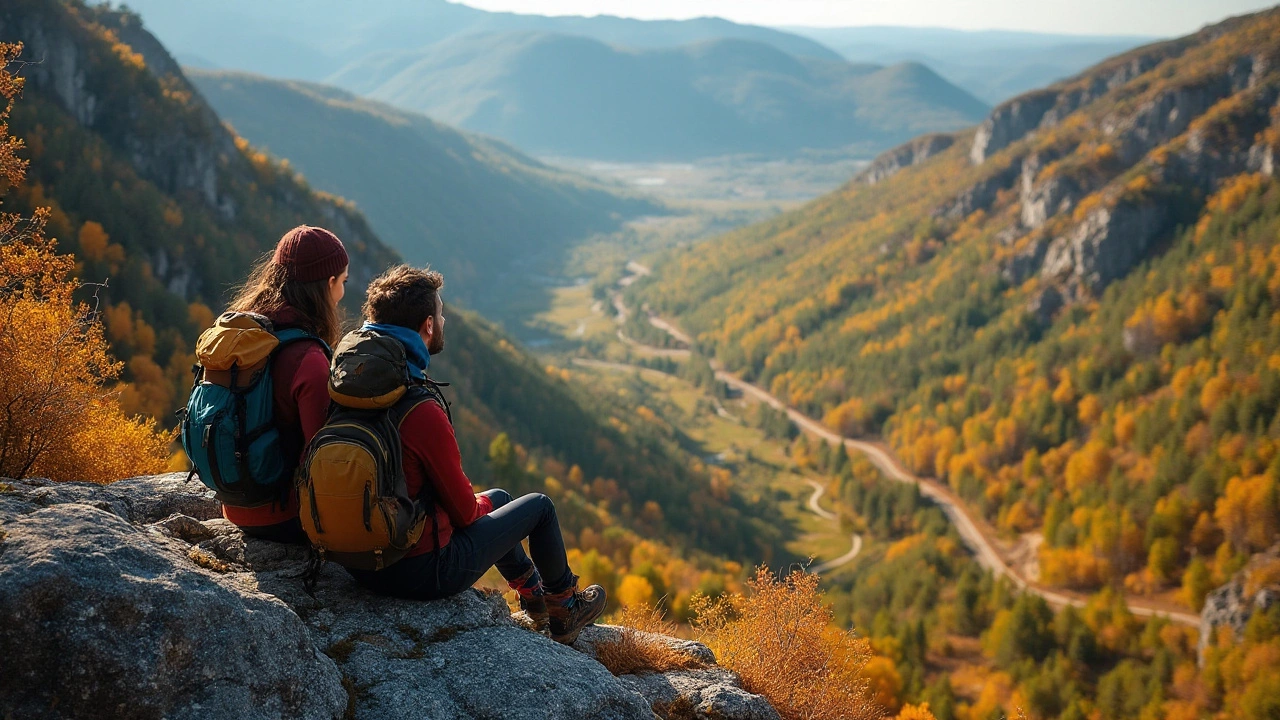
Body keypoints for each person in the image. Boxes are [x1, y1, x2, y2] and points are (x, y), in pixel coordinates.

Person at [343, 265, 606, 644]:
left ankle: (534, 598)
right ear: (428, 326)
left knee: (499, 499)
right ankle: (565, 609)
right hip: (418, 571)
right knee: (539, 507)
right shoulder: (419, 408)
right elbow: (465, 512)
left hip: (360, 562)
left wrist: (483, 504)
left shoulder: (349, 387)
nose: (445, 318)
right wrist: (475, 504)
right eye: (441, 312)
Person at [220, 225, 349, 543]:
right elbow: (321, 454)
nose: (343, 292)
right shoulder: (307, 357)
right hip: (283, 517)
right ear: (329, 283)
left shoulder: (243, 332)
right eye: (343, 282)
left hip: (234, 505)